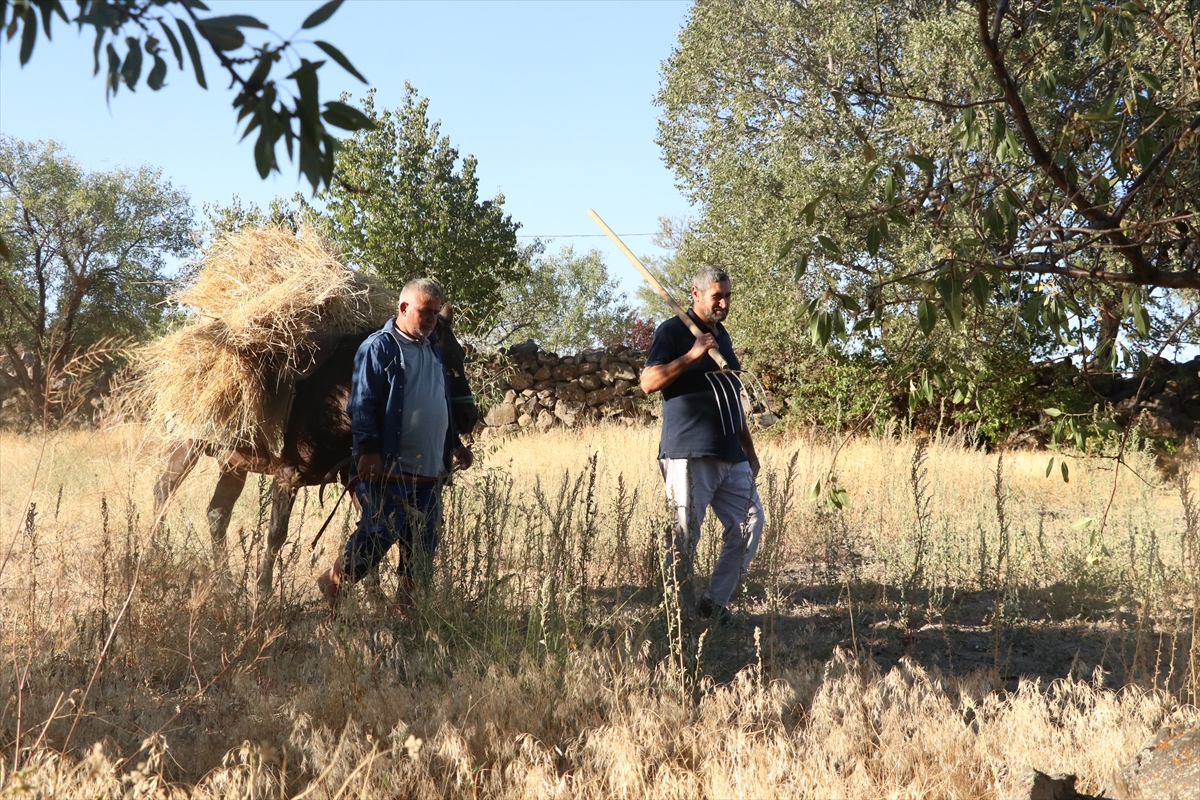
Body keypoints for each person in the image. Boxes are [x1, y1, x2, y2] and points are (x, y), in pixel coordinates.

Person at [317, 278, 473, 607]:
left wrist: (455, 444)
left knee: (424, 539)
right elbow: (362, 405)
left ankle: (406, 610)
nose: (431, 319)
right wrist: (369, 452)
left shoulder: (433, 348)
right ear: (403, 308)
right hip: (389, 468)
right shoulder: (379, 347)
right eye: (424, 311)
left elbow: (439, 401)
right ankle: (333, 584)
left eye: (434, 312)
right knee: (379, 533)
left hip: (430, 468)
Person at [640, 265, 764, 624]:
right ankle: (673, 616)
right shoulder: (673, 332)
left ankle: (713, 604)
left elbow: (731, 397)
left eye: (727, 295)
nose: (724, 302)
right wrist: (692, 355)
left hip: (730, 452)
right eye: (717, 296)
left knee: (750, 523)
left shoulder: (722, 336)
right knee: (683, 536)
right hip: (689, 453)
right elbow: (648, 382)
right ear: (695, 294)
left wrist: (750, 451)